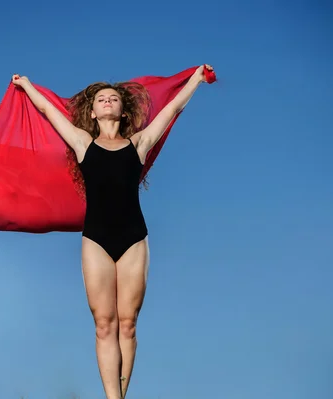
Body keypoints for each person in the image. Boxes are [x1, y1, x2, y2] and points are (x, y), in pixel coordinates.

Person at [12, 64, 213, 399]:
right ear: (92, 111)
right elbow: (47, 110)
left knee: (128, 325)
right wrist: (28, 85)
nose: (107, 101)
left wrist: (196, 79)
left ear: (122, 110)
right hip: (96, 240)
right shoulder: (82, 143)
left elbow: (173, 108)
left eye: (113, 99)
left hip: (134, 238)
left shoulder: (139, 144)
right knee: (104, 325)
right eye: (101, 99)